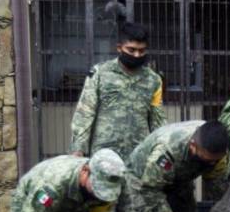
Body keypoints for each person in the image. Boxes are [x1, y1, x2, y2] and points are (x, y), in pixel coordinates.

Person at [117, 120, 230, 212]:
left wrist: (225, 210)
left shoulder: (217, 145)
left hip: (178, 179)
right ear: (193, 146)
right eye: (206, 160)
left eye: (215, 160)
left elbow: (216, 180)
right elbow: (150, 188)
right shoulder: (168, 150)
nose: (212, 164)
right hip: (142, 181)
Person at [69, 21, 166, 162]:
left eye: (142, 50)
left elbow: (158, 119)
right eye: (131, 50)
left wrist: (161, 149)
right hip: (104, 155)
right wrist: (78, 149)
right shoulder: (100, 73)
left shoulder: (153, 80)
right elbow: (85, 113)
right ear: (119, 48)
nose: (137, 55)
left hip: (138, 155)